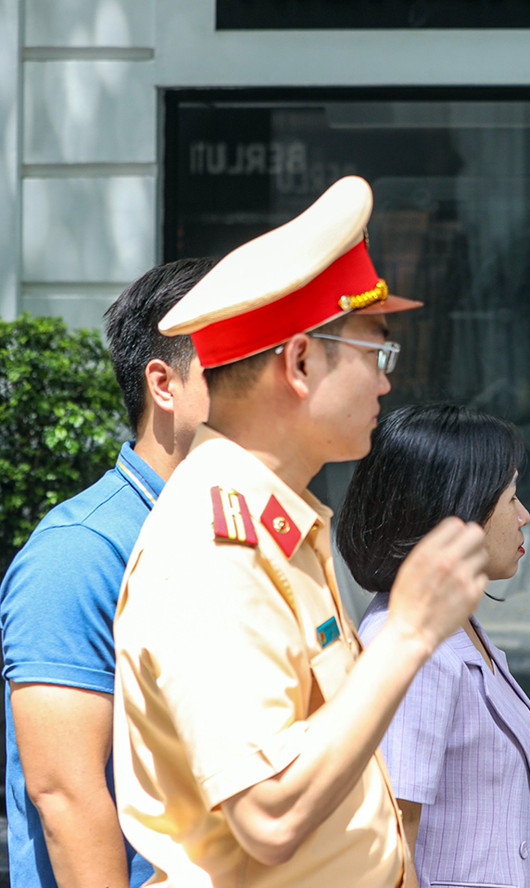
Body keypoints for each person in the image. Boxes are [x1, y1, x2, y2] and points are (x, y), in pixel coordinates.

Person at [111, 176, 491, 886]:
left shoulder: (271, 522)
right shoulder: (213, 545)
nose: (387, 382)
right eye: (378, 353)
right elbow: (270, 815)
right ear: (300, 361)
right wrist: (409, 631)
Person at [0, 257, 212, 888]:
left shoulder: (244, 533)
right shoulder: (80, 551)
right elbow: (65, 794)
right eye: (236, 364)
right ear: (164, 384)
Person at [336, 404, 530, 887]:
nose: (526, 515)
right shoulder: (413, 645)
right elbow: (392, 839)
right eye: (511, 499)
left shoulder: (451, 624)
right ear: (456, 512)